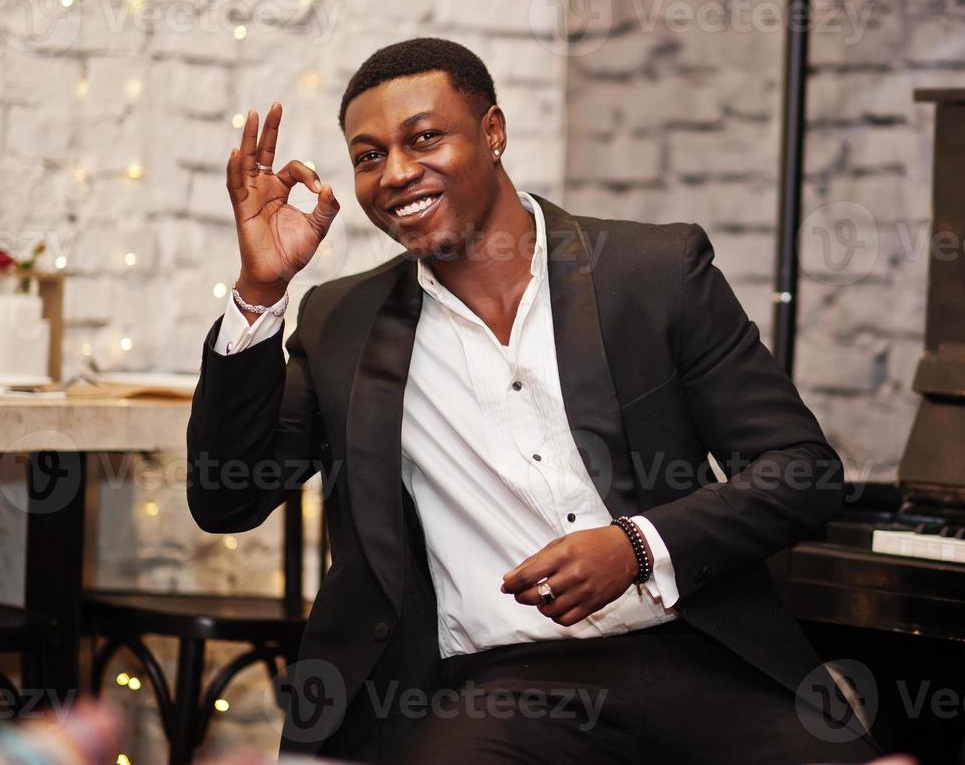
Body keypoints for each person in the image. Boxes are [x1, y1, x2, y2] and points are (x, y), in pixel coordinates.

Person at [188, 37, 884, 763]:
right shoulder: (343, 322)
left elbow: (799, 469)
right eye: (368, 156)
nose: (395, 173)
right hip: (494, 687)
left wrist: (636, 546)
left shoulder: (651, 275)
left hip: (698, 653)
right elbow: (224, 500)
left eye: (423, 138)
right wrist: (262, 291)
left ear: (492, 132)